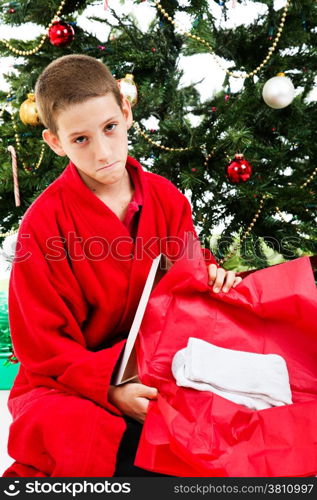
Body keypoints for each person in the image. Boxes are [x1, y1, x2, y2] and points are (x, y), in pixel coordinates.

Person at [2, 54, 242, 478]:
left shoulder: (165, 197)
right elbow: (42, 348)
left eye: (110, 128)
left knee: (222, 418)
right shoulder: (42, 226)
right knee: (76, 431)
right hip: (70, 379)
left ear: (126, 112)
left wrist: (211, 273)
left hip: (156, 361)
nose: (104, 152)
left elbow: (187, 275)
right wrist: (111, 390)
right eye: (81, 139)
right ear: (55, 142)